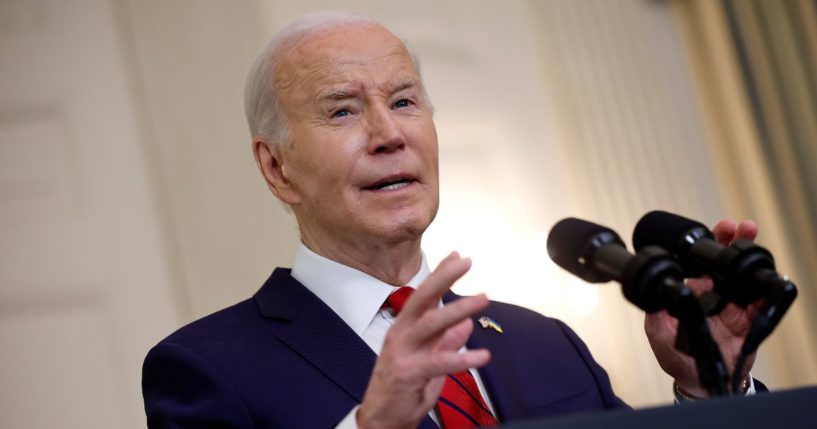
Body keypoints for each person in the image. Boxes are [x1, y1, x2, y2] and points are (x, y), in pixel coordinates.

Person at [142, 12, 764, 428]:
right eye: (342, 111)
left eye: (405, 101)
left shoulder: (547, 344)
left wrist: (713, 388)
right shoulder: (204, 369)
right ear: (277, 167)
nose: (389, 134)